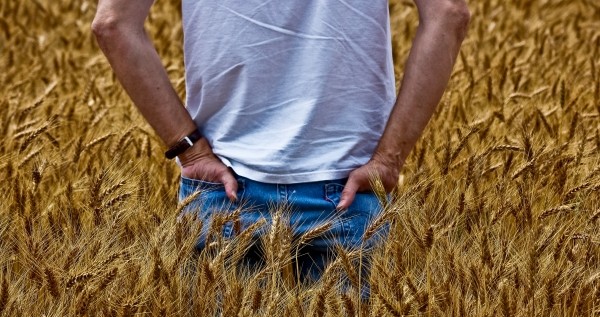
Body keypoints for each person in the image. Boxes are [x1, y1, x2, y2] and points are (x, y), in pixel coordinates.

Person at [92, 0, 470, 280]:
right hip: (349, 196)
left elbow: (113, 25)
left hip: (222, 194)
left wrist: (191, 152)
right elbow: (449, 13)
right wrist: (389, 159)